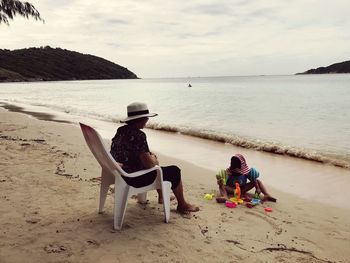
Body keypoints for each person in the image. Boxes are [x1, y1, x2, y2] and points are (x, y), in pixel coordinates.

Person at [110, 102, 199, 214]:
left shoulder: (121, 131)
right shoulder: (139, 135)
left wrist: (149, 158)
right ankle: (182, 204)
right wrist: (154, 160)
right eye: (146, 118)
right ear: (140, 119)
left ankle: (162, 196)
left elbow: (122, 152)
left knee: (154, 163)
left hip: (119, 173)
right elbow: (149, 165)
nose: (147, 120)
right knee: (174, 171)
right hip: (133, 178)